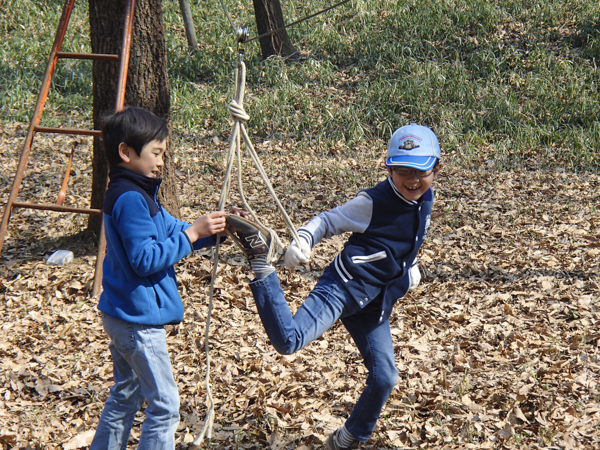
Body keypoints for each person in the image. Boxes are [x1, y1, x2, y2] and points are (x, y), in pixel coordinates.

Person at [226, 123, 442, 449]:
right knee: (289, 340)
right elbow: (327, 221)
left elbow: (407, 240)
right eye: (402, 170)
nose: (412, 179)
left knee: (385, 377)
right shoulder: (373, 202)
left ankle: (348, 438)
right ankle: (260, 262)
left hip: (374, 302)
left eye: (420, 171)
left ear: (436, 169)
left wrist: (407, 269)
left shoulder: (426, 199)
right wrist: (304, 239)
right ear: (388, 169)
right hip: (341, 288)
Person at [90, 106, 228, 450]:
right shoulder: (131, 200)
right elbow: (144, 259)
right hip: (137, 321)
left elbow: (175, 230)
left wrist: (213, 231)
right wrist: (193, 235)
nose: (161, 161)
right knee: (165, 406)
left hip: (122, 314)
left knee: (125, 396)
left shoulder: (138, 193)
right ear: (126, 152)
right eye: (156, 153)